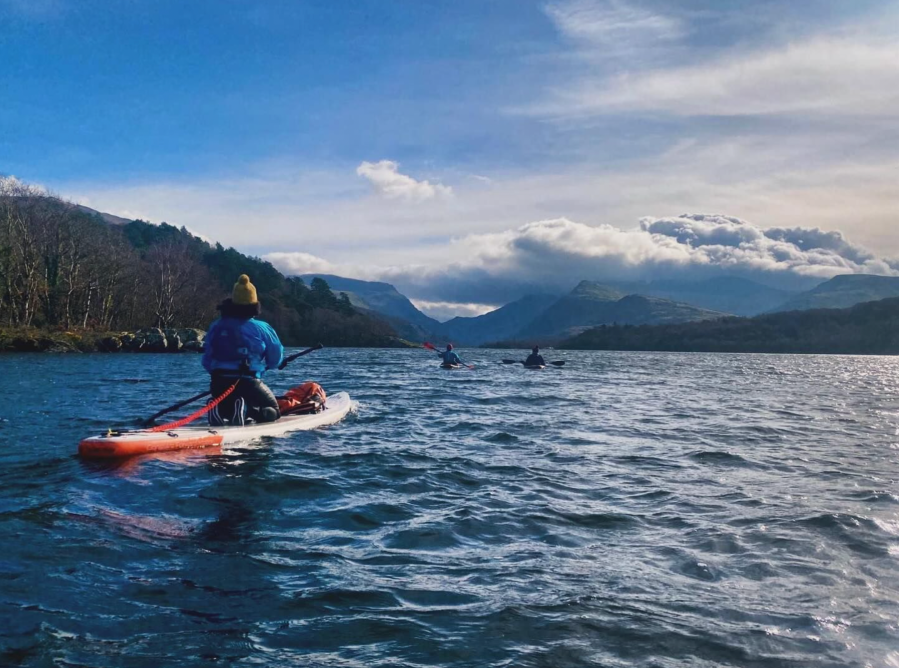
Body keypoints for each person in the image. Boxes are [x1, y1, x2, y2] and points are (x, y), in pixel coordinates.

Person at [202, 274, 284, 426]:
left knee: (228, 405)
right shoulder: (262, 327)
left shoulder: (216, 326)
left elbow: (207, 360)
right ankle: (247, 411)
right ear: (254, 305)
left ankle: (219, 410)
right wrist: (273, 365)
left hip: (218, 383)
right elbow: (275, 357)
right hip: (248, 383)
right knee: (274, 411)